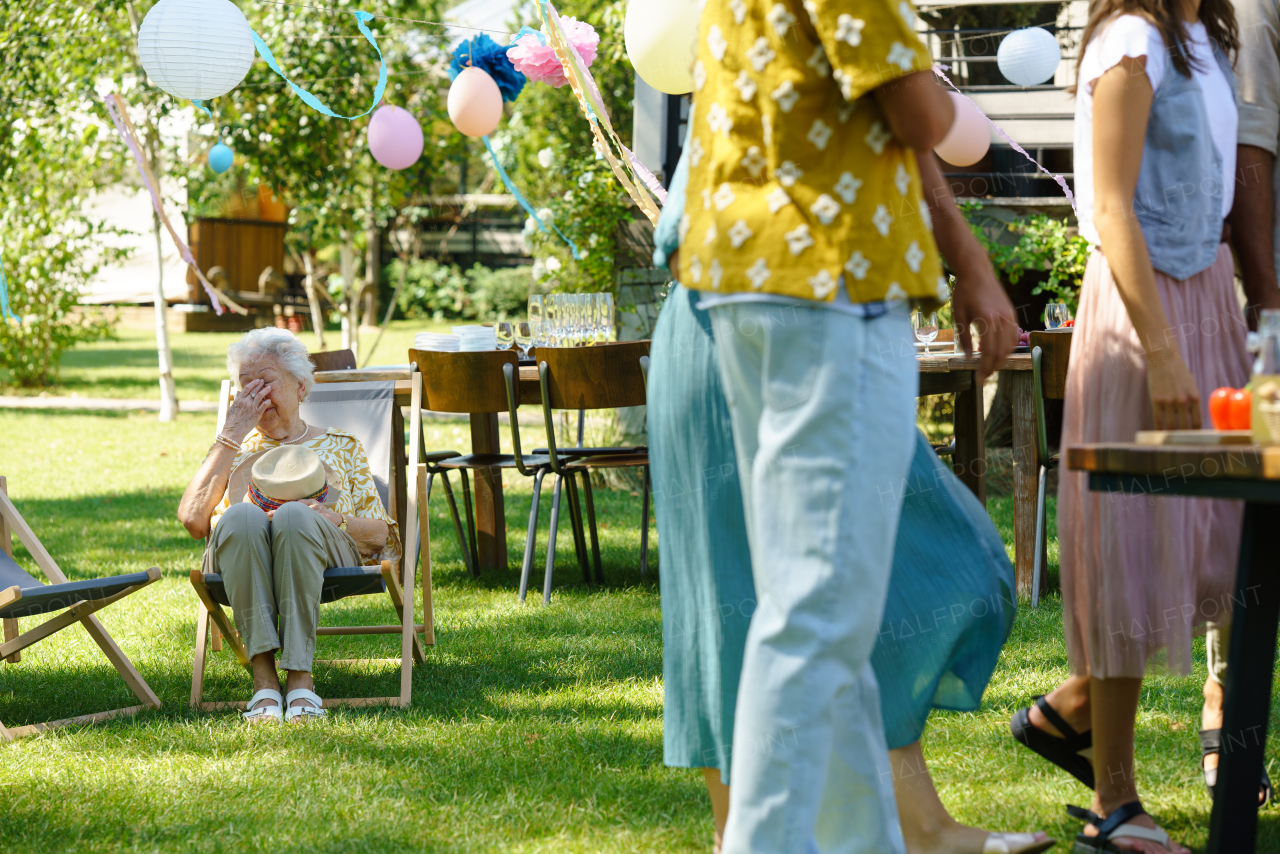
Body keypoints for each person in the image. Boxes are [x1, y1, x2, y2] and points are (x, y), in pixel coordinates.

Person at [677, 0, 1018, 849]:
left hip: (755, 278)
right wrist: (940, 95)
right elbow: (912, 110)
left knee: (830, 610)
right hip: (829, 281)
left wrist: (964, 256)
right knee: (820, 609)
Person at [1007, 0, 1250, 850]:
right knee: (1135, 545)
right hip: (1148, 313)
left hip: (1211, 297)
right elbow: (1111, 208)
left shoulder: (1203, 40)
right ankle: (1115, 804)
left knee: (1222, 540)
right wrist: (1166, 350)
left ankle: (1068, 710)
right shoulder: (1129, 40)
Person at [177, 328, 401, 724]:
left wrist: (338, 520)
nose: (257, 397)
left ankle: (300, 680)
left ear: (300, 388)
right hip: (243, 554)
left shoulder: (341, 444)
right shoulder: (232, 449)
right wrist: (230, 434)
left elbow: (381, 534)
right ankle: (264, 681)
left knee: (295, 515)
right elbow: (194, 521)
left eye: (267, 384)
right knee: (242, 515)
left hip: (327, 552)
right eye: (248, 389)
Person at [1209, 0, 1280, 804]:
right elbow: (1250, 147)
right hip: (1275, 300)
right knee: (1253, 520)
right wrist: (1266, 291)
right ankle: (1229, 716)